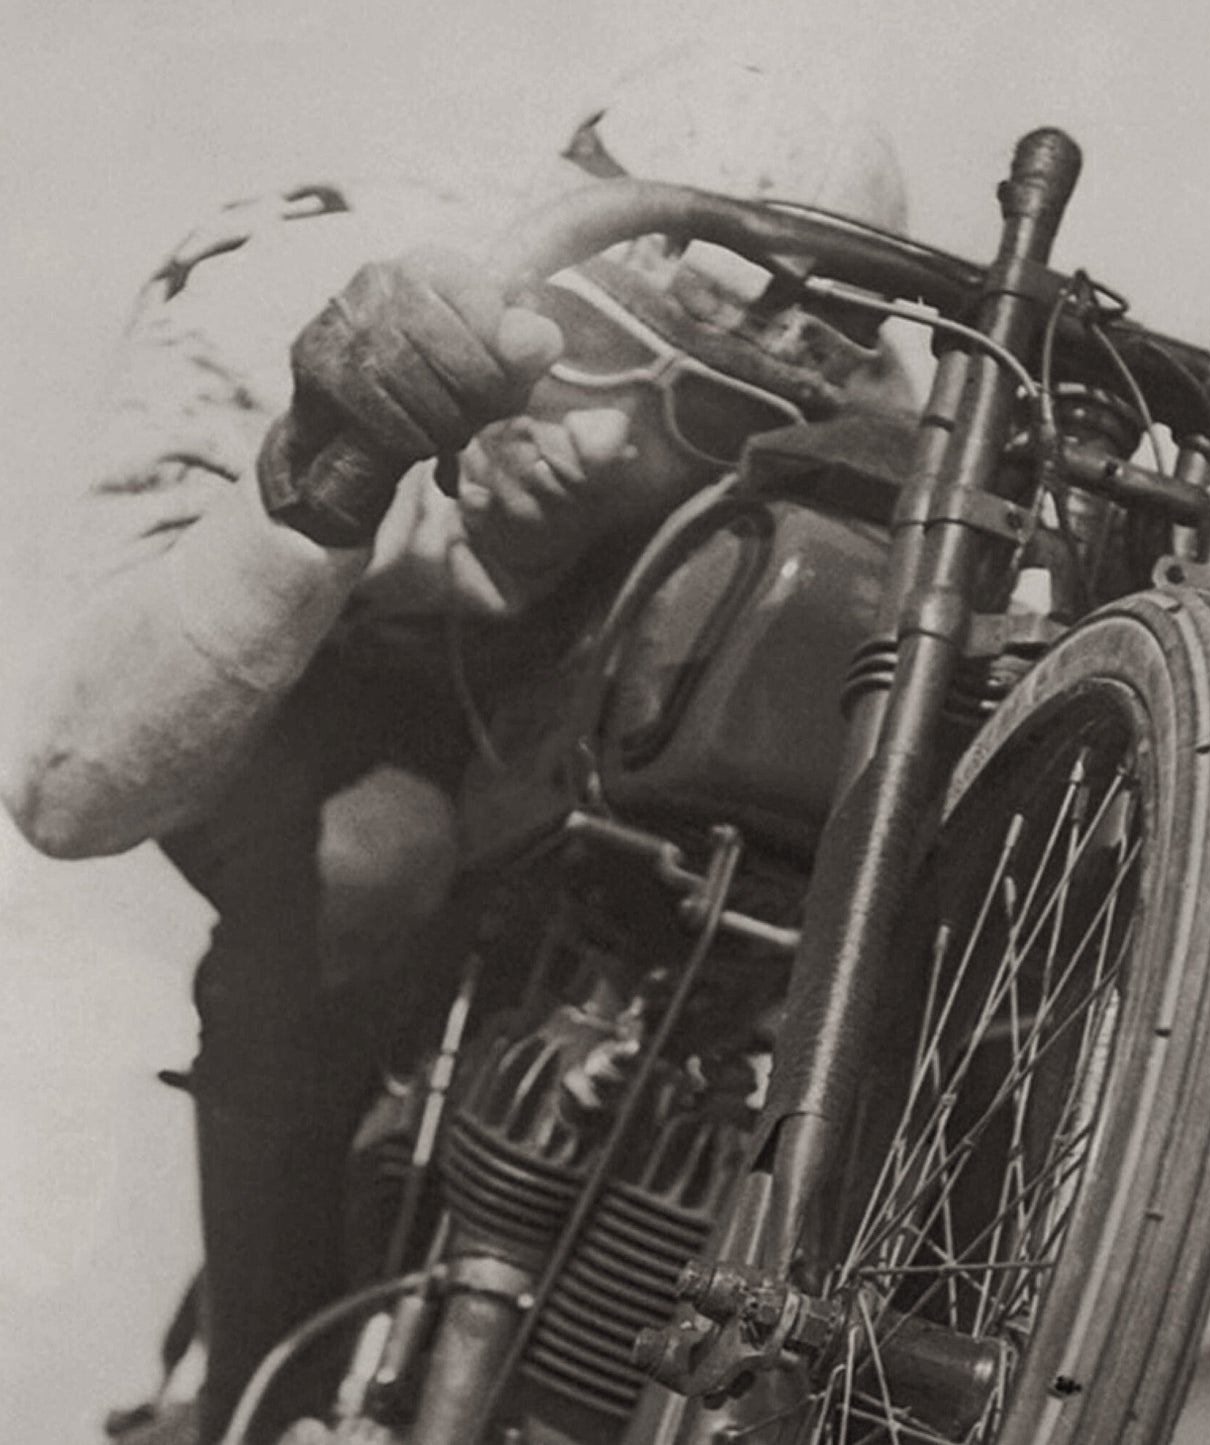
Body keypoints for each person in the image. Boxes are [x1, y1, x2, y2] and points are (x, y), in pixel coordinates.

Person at [0, 54, 913, 1445]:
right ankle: (264, 1388)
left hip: (551, 704)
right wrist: (322, 470)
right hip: (304, 678)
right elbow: (66, 786)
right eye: (600, 341)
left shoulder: (859, 393)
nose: (600, 438)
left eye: (699, 407)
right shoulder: (280, 293)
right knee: (369, 859)